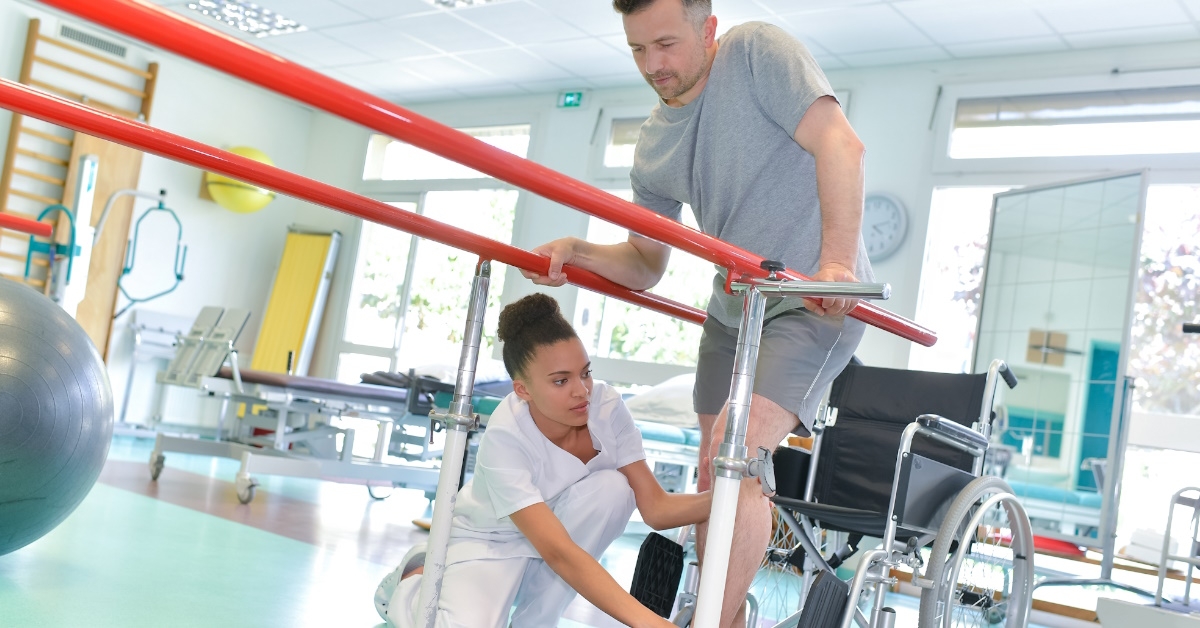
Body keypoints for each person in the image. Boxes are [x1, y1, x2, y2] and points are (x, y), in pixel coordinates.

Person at [520, 1, 873, 626]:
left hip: (811, 300)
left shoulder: (757, 52)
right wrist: (576, 250)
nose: (654, 65)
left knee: (737, 456)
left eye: (666, 44)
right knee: (716, 473)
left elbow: (841, 144)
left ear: (707, 30)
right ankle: (725, 617)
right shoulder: (655, 143)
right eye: (637, 50)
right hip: (735, 307)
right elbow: (644, 262)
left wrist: (838, 265)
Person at [374, 293, 712, 628]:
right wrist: (648, 622)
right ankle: (410, 582)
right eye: (561, 381)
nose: (581, 391)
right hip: (489, 540)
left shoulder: (606, 406)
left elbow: (656, 508)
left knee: (615, 488)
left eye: (586, 373)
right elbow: (559, 552)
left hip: (558, 535)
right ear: (523, 390)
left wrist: (737, 498)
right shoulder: (506, 436)